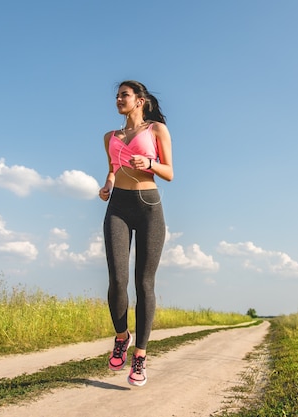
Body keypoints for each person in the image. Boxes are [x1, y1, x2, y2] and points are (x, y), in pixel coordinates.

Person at [98, 80, 173, 386]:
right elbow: (113, 168)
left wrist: (151, 162)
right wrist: (108, 184)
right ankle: (121, 337)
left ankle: (139, 356)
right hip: (118, 206)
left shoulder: (156, 130)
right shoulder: (110, 136)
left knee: (144, 283)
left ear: (140, 101)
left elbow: (169, 172)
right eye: (116, 96)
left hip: (148, 207)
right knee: (117, 278)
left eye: (124, 95)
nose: (118, 99)